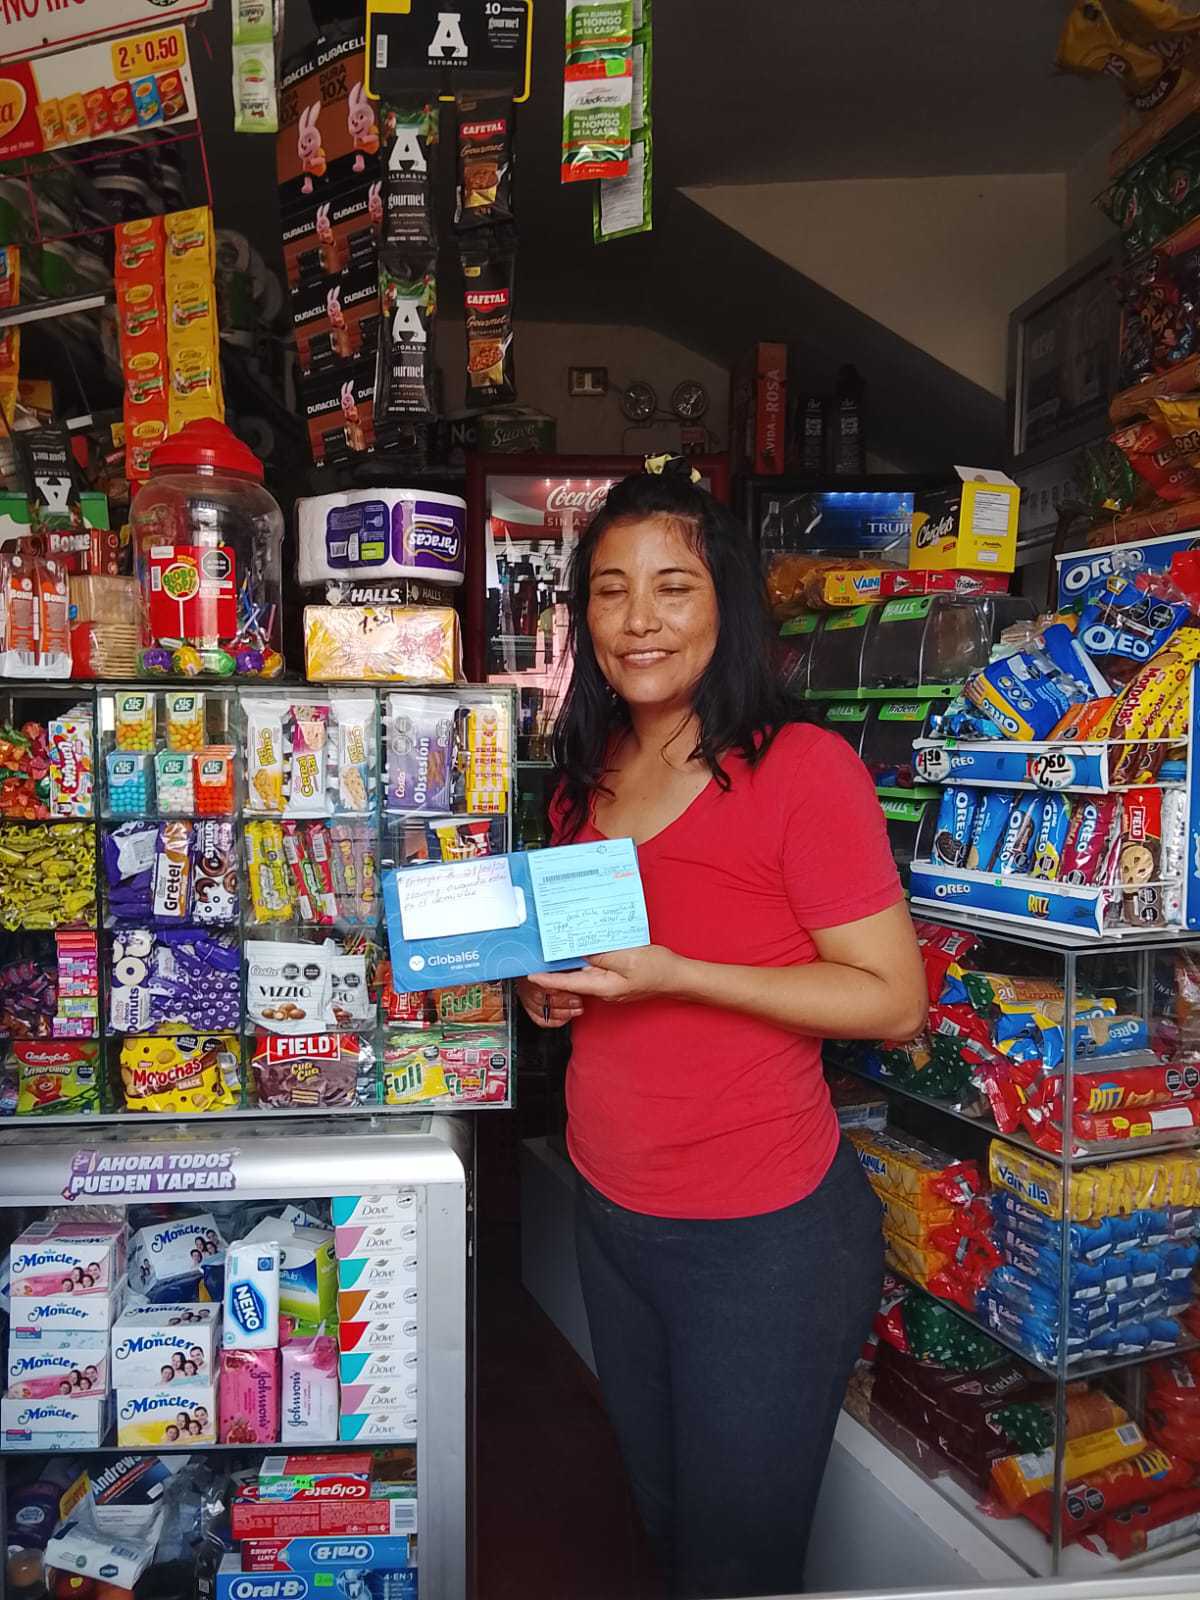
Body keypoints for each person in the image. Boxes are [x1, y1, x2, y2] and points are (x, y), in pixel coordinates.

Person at [518, 457, 927, 1600]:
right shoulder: (586, 775)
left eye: (673, 587)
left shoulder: (802, 770)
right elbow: (591, 970)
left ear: (726, 603)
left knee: (735, 1564)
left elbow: (893, 1001)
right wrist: (549, 996)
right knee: (661, 1520)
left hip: (762, 1241)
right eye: (610, 590)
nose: (638, 620)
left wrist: (678, 975)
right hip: (615, 1214)